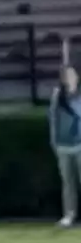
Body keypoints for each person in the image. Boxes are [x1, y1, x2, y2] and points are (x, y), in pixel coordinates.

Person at [50, 65, 81, 227]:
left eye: (71, 75)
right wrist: (53, 141)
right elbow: (53, 120)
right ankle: (69, 214)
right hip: (63, 145)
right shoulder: (58, 96)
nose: (69, 78)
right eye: (66, 76)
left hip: (80, 144)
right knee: (68, 183)